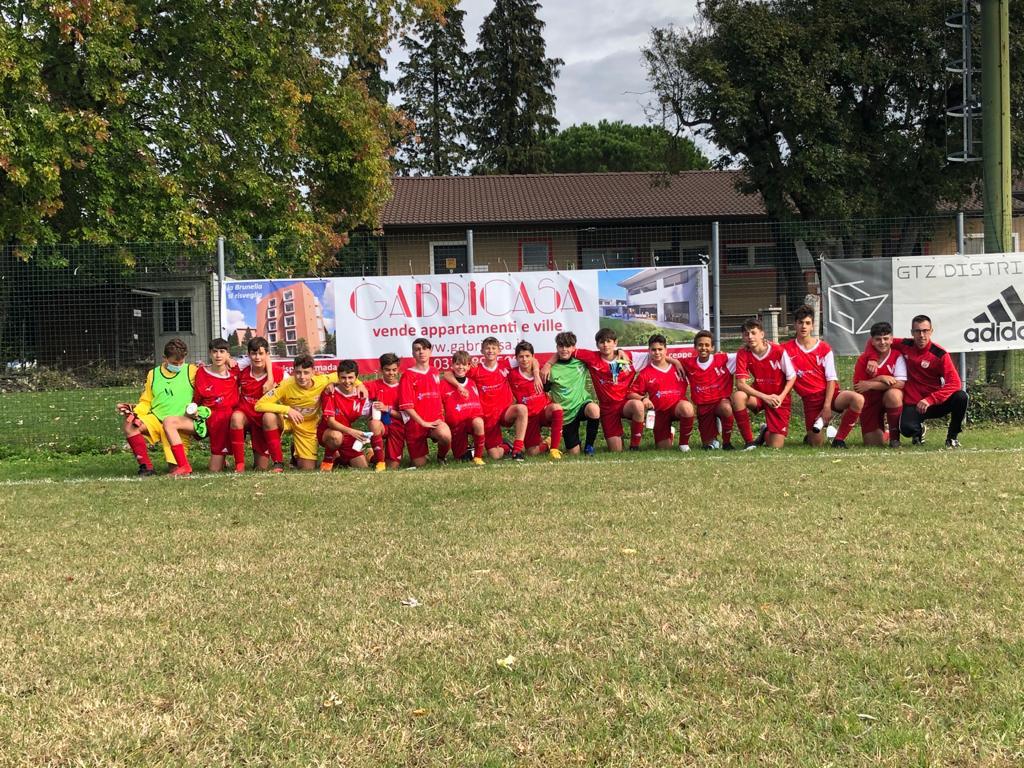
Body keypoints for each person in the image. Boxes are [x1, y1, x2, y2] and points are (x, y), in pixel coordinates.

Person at [783, 305, 864, 448]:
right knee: (816, 444)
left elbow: (831, 379)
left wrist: (827, 406)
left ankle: (839, 439)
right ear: (794, 325)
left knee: (857, 399)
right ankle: (812, 434)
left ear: (812, 325)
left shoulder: (824, 348)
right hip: (810, 400)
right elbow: (766, 350)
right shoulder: (785, 350)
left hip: (831, 394)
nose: (803, 326)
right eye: (800, 322)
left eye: (807, 323)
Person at [116, 337, 197, 475]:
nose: (178, 366)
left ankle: (177, 462)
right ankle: (146, 467)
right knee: (130, 426)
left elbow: (212, 374)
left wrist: (229, 362)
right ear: (164, 358)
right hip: (156, 419)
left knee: (175, 469)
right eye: (174, 363)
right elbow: (146, 400)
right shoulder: (153, 374)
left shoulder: (192, 371)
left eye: (181, 362)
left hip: (177, 424)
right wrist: (134, 412)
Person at [160, 338, 240, 476]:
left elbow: (258, 363)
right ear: (209, 353)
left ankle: (221, 458)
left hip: (223, 422)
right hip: (203, 419)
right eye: (214, 351)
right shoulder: (201, 372)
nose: (218, 355)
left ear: (228, 354)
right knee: (169, 422)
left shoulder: (235, 373)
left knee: (214, 470)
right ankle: (184, 466)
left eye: (222, 352)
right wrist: (192, 411)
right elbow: (196, 399)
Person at [449, 337, 528, 460]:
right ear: (482, 351)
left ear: (499, 351)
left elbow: (532, 360)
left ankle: (517, 450)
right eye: (487, 348)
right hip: (488, 417)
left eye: (493, 348)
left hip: (505, 412)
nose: (490, 351)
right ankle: (507, 447)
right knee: (495, 455)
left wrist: (538, 372)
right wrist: (458, 386)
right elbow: (449, 374)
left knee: (522, 409)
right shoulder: (475, 369)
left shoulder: (505, 365)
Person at [255, 354, 338, 471]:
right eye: (298, 372)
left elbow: (347, 375)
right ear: (293, 371)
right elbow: (259, 405)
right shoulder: (286, 384)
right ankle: (278, 462)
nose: (302, 377)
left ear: (313, 372)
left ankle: (295, 451)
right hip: (287, 420)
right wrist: (288, 410)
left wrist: (359, 385)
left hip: (307, 426)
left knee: (307, 468)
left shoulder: (323, 380)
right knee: (268, 417)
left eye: (306, 372)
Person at [896, 315, 968, 448]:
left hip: (934, 403)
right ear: (912, 332)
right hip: (913, 403)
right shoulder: (904, 345)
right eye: (917, 331)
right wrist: (872, 358)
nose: (921, 335)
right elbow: (878, 341)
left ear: (931, 331)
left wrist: (931, 399)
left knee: (961, 396)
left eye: (925, 331)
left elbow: (955, 383)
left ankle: (952, 437)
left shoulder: (939, 353)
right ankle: (918, 431)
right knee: (906, 430)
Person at [573, 328, 646, 451]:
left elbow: (657, 356)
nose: (605, 345)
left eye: (608, 341)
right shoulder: (592, 357)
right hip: (608, 409)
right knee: (616, 450)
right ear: (597, 345)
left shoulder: (629, 357)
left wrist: (674, 361)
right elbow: (567, 350)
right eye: (602, 342)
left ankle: (634, 446)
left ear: (615, 342)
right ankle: (619, 439)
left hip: (625, 404)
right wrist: (547, 365)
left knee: (638, 405)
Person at [732, 318, 796, 449]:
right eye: (746, 334)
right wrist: (765, 397)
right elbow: (740, 384)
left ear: (762, 334)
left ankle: (765, 431)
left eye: (753, 333)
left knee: (776, 445)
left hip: (778, 398)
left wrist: (781, 397)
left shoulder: (778, 351)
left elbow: (792, 377)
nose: (750, 337)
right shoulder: (743, 353)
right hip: (760, 397)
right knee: (738, 396)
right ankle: (749, 442)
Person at [627, 334, 695, 451]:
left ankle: (684, 444)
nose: (657, 352)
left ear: (666, 350)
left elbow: (699, 365)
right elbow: (631, 393)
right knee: (663, 448)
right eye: (653, 350)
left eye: (660, 349)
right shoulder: (645, 373)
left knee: (687, 408)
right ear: (649, 351)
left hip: (677, 407)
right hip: (659, 413)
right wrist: (643, 398)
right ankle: (670, 434)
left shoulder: (679, 367)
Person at [542, 331, 602, 456]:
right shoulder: (550, 370)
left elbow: (603, 354)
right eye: (561, 346)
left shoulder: (581, 362)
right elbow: (545, 390)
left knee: (594, 409)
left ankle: (589, 446)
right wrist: (547, 365)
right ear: (557, 347)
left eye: (568, 346)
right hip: (566, 414)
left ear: (574, 347)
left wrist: (619, 351)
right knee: (574, 453)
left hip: (581, 405)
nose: (564, 349)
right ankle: (549, 442)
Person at [318, 359, 383, 471]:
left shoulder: (361, 394)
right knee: (336, 436)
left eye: (350, 377)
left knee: (362, 468)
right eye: (343, 377)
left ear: (356, 378)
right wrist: (353, 432)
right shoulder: (330, 392)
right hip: (328, 432)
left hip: (347, 435)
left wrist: (367, 433)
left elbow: (371, 413)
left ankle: (365, 455)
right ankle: (327, 462)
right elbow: (331, 422)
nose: (347, 381)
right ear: (338, 377)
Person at [398, 338, 452, 467]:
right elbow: (407, 406)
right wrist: (422, 422)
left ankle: (441, 457)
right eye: (417, 349)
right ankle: (421, 455)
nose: (421, 352)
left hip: (435, 421)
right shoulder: (408, 375)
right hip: (416, 425)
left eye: (424, 349)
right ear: (413, 353)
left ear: (430, 351)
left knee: (445, 435)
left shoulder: (434, 371)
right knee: (419, 465)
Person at [852, 321, 906, 448]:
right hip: (870, 402)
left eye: (886, 338)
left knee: (893, 394)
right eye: (878, 339)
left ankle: (894, 438)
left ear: (891, 339)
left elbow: (900, 384)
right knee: (873, 444)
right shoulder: (863, 359)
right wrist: (881, 378)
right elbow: (859, 386)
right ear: (872, 341)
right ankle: (886, 433)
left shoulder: (897, 356)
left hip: (889, 398)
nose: (882, 342)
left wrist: (871, 385)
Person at [680, 330, 736, 450]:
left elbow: (743, 355)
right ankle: (713, 440)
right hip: (703, 407)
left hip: (720, 402)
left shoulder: (723, 359)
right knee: (707, 445)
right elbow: (665, 359)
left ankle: (727, 442)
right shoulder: (688, 363)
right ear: (695, 347)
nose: (703, 348)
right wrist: (675, 361)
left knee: (726, 408)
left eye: (707, 345)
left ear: (712, 347)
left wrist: (749, 346)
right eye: (700, 345)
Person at [507, 341, 564, 458]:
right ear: (516, 358)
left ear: (533, 356)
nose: (524, 359)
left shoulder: (541, 370)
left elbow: (556, 355)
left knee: (556, 408)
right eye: (521, 357)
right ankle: (547, 443)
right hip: (529, 417)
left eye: (527, 356)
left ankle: (554, 449)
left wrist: (537, 374)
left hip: (544, 411)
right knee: (532, 452)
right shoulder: (511, 374)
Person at [229, 336, 278, 472]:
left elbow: (297, 382)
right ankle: (239, 464)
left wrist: (329, 384)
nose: (257, 357)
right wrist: (228, 359)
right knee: (236, 417)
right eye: (254, 354)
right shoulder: (242, 370)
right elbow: (224, 367)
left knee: (261, 467)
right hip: (246, 415)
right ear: (249, 355)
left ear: (267, 355)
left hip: (263, 419)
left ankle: (279, 459)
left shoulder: (278, 372)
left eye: (261, 354)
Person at [440, 350, 486, 465]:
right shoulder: (443, 384)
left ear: (469, 366)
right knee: (460, 458)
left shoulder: (472, 382)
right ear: (452, 365)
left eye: (464, 364)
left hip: (472, 421)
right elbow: (439, 405)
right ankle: (469, 450)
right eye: (457, 364)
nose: (461, 367)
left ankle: (478, 457)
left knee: (478, 422)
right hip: (456, 426)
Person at [367, 352, 404, 471]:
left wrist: (387, 409)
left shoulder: (403, 387)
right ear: (381, 370)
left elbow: (406, 416)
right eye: (387, 370)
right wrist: (332, 384)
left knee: (392, 467)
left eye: (394, 370)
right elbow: (354, 385)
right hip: (382, 425)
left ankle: (372, 456)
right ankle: (380, 462)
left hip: (397, 427)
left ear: (398, 369)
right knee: (374, 423)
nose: (391, 373)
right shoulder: (374, 385)